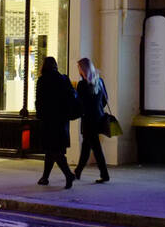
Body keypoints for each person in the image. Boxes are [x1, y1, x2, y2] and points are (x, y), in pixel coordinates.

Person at [35, 56, 75, 188]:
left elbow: (39, 102)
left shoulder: (42, 80)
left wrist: (39, 116)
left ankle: (68, 175)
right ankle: (45, 177)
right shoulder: (64, 79)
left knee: (54, 150)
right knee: (52, 149)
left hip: (49, 120)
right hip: (62, 120)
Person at [74, 57, 110, 183]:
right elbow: (105, 100)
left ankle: (104, 174)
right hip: (98, 118)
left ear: (83, 69)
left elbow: (79, 103)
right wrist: (98, 109)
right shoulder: (99, 81)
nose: (78, 70)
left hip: (88, 120)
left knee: (95, 147)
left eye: (79, 68)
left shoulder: (82, 85)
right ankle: (78, 171)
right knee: (87, 146)